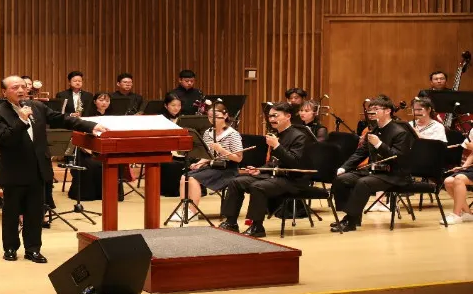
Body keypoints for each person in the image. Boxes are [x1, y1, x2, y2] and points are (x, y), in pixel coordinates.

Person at [0, 75, 106, 263]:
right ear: (4, 92)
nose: (21, 90)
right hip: (15, 170)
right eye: (15, 87)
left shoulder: (37, 107)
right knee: (11, 212)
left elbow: (62, 119)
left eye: (23, 87)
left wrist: (90, 126)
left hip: (38, 169)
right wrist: (21, 121)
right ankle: (10, 248)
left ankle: (33, 249)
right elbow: (5, 139)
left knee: (35, 213)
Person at [219, 102, 309, 237]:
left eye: (275, 116)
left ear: (288, 116)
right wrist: (260, 170)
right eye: (270, 116)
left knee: (258, 186)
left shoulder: (299, 136)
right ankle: (231, 222)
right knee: (236, 182)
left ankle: (257, 226)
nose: (271, 119)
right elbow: (273, 163)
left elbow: (294, 163)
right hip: (274, 176)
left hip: (292, 178)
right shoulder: (276, 134)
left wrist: (277, 146)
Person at [331, 95, 414, 232]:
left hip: (394, 174)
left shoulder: (400, 132)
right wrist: (344, 167)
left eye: (376, 109)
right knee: (342, 179)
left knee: (363, 183)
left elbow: (399, 158)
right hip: (375, 171)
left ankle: (350, 220)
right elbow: (360, 153)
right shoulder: (374, 130)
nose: (371, 112)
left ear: (388, 111)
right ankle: (351, 216)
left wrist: (379, 144)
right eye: (370, 109)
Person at [170, 102, 243, 222]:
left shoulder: (233, 134)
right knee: (184, 177)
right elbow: (208, 155)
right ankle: (184, 209)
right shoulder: (208, 132)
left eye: (216, 116)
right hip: (212, 166)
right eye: (209, 116)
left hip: (227, 169)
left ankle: (193, 211)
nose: (212, 119)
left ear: (225, 116)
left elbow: (238, 158)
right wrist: (200, 162)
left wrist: (221, 150)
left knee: (193, 179)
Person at [159, 93, 186, 197]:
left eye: (179, 105)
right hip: (165, 151)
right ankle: (172, 190)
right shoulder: (160, 119)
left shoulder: (184, 119)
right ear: (166, 106)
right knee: (172, 165)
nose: (176, 108)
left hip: (181, 150)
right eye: (173, 105)